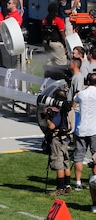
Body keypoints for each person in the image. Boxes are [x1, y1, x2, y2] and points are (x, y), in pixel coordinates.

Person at [73, 73, 96, 213]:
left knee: (79, 156)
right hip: (94, 129)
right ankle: (94, 178)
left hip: (82, 128)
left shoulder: (82, 94)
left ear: (87, 81)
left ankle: (78, 182)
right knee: (95, 156)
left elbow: (74, 102)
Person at [46, 87, 75, 196]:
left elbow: (52, 126)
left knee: (59, 163)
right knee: (65, 162)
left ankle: (60, 188)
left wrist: (47, 117)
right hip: (67, 138)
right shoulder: (70, 109)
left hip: (58, 138)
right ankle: (67, 186)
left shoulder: (61, 111)